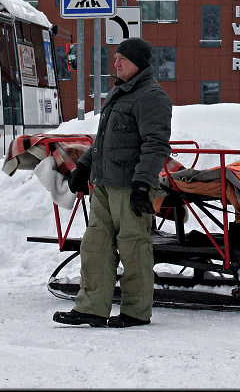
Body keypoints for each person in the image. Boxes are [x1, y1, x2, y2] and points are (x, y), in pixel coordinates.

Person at [52, 37, 172, 328]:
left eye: (122, 59)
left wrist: (142, 185)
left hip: (130, 187)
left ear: (138, 63)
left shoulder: (151, 97)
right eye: (115, 58)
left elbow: (155, 145)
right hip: (105, 185)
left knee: (133, 248)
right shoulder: (119, 92)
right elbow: (104, 141)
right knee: (95, 246)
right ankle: (91, 308)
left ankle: (136, 311)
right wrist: (83, 166)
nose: (115, 64)